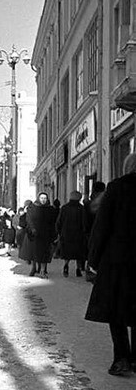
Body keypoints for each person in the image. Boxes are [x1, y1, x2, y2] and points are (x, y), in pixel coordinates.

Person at [85, 153, 136, 376]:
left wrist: (93, 260)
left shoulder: (117, 188)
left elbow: (102, 226)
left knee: (116, 311)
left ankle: (122, 358)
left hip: (120, 260)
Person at [24, 192, 57, 278]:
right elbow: (29, 219)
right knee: (34, 252)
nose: (43, 200)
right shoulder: (33, 207)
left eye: (45, 198)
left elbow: (53, 221)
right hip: (35, 234)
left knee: (44, 253)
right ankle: (34, 268)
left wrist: (53, 233)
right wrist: (32, 228)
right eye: (41, 198)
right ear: (38, 198)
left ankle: (42, 270)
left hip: (46, 234)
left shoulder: (50, 209)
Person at [55, 191, 87, 278]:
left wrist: (59, 231)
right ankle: (78, 269)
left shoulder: (64, 208)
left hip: (66, 234)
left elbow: (59, 221)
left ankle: (66, 265)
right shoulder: (81, 208)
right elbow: (84, 222)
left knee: (67, 252)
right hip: (78, 234)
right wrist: (85, 232)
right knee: (79, 253)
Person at [83, 181, 106, 282]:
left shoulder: (88, 203)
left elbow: (84, 218)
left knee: (91, 250)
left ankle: (90, 270)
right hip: (101, 229)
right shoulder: (105, 200)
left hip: (90, 230)